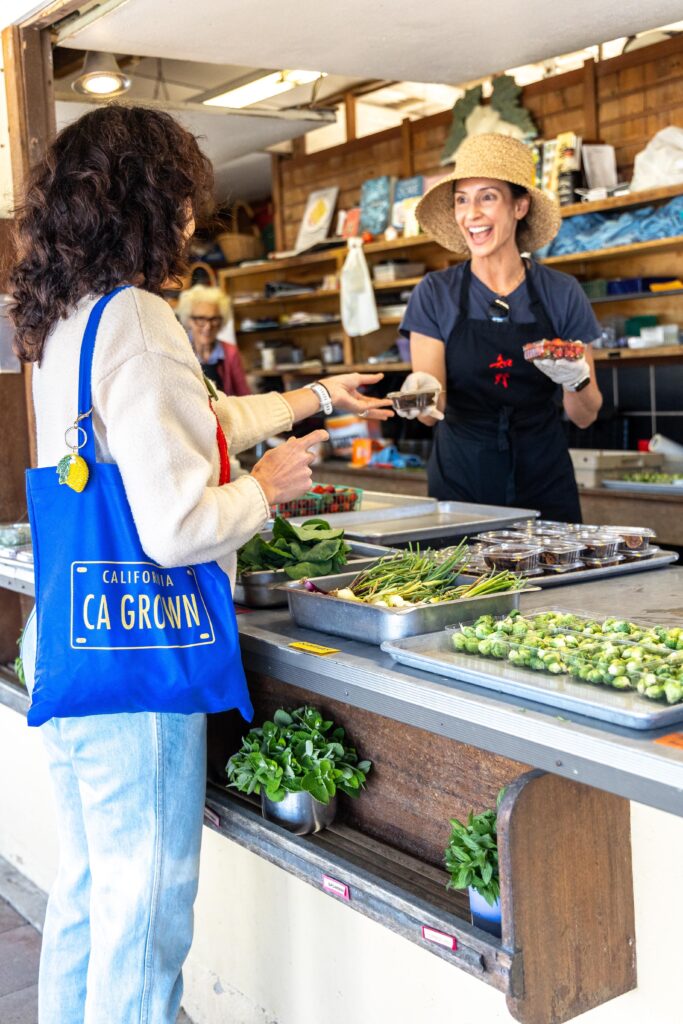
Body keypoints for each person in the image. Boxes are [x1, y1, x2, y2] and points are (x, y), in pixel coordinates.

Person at [10, 104, 392, 1024]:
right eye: (184, 195)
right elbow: (178, 526)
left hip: (73, 639)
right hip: (140, 665)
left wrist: (309, 397)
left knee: (93, 899)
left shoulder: (72, 318)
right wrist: (267, 487)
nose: (192, 218)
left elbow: (186, 422)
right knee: (146, 926)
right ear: (151, 198)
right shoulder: (140, 318)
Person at [398, 132, 603, 521]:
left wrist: (576, 380)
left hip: (544, 479)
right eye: (462, 199)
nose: (471, 214)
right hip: (462, 483)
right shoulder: (435, 293)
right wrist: (418, 396)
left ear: (520, 206)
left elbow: (585, 415)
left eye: (487, 197)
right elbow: (431, 410)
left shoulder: (561, 293)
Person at [176, 283, 251, 396]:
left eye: (214, 319)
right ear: (189, 320)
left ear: (222, 320)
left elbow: (244, 395)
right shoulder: (179, 352)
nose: (208, 327)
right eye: (200, 319)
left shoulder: (230, 352)